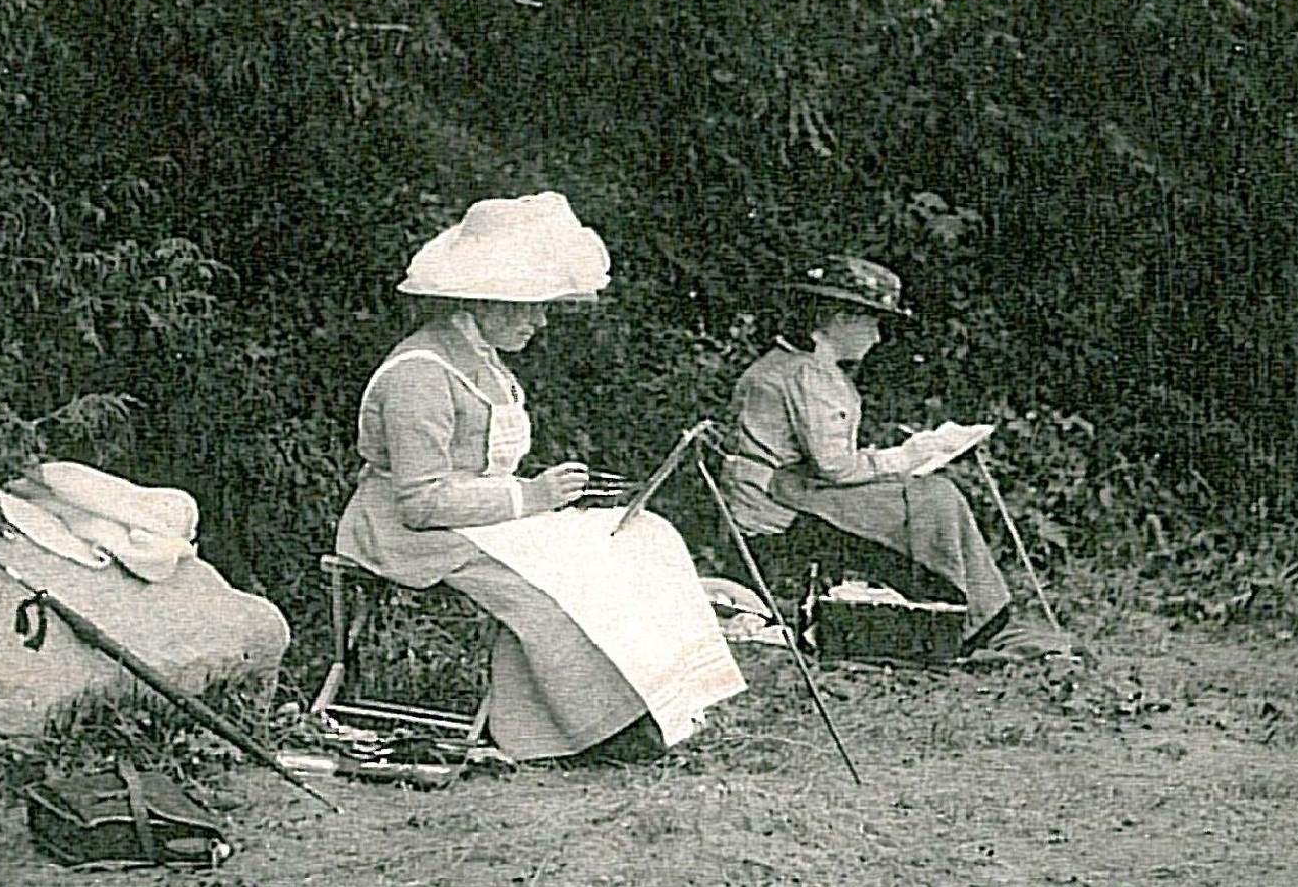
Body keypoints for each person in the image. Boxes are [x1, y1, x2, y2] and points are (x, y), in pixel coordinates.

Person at [334, 192, 746, 762]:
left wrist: (541, 501)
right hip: (407, 536)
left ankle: (671, 701)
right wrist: (530, 496)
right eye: (528, 307)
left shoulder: (479, 360)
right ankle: (585, 733)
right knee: (553, 592)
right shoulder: (419, 375)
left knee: (639, 541)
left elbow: (478, 472)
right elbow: (421, 503)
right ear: (486, 301)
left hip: (475, 519)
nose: (540, 320)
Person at [721, 254, 1013, 655]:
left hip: (781, 492)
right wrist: (907, 456)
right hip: (779, 507)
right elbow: (836, 468)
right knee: (934, 497)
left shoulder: (788, 363)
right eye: (872, 322)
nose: (877, 337)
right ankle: (967, 610)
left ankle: (966, 606)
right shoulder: (808, 374)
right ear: (839, 318)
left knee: (929, 494)